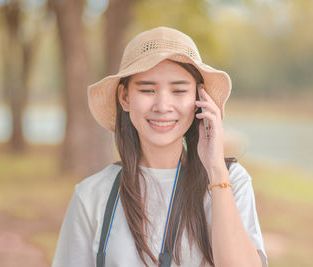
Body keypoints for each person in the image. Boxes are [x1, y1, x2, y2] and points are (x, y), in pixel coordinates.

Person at [52, 26, 268, 267]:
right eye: (147, 90)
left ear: (199, 98)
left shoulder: (231, 182)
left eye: (178, 90)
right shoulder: (92, 195)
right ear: (125, 97)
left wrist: (216, 170)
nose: (163, 105)